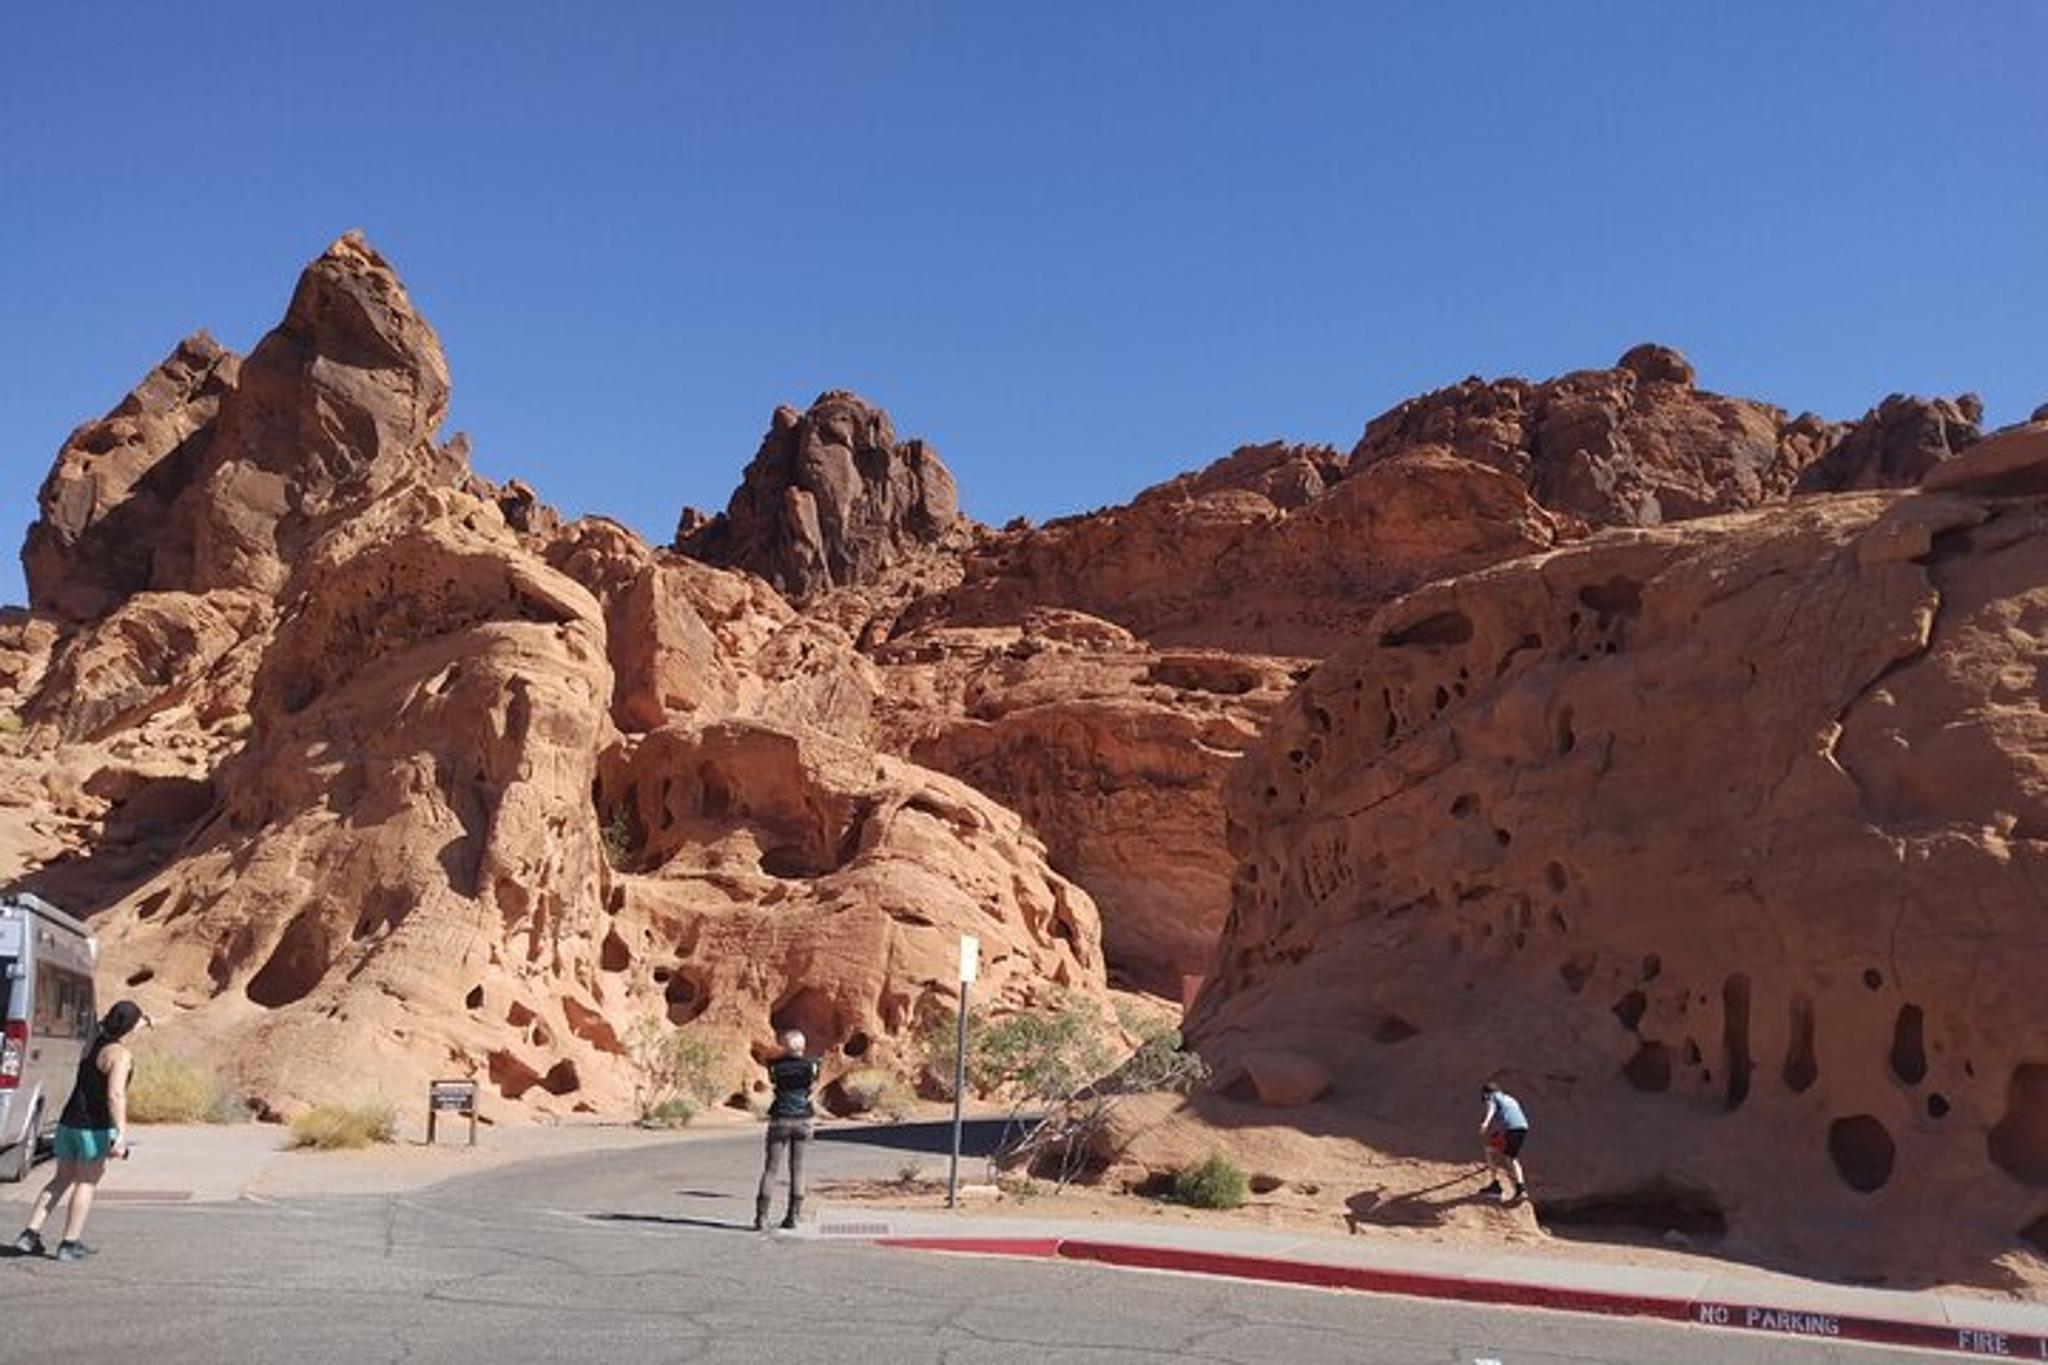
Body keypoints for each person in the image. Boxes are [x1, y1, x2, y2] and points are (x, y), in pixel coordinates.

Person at [12, 1000, 143, 1262]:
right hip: (94, 1127)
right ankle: (69, 1243)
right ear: (130, 1026)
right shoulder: (119, 1055)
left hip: (68, 1123)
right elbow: (115, 1095)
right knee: (86, 1182)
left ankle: (29, 1234)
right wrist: (121, 1135)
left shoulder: (91, 1043)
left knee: (60, 1179)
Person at [755, 1029, 820, 1231]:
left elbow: (774, 1082)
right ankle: (793, 1216)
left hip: (780, 1117)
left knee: (771, 1169)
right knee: (797, 1168)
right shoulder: (812, 1065)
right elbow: (811, 1086)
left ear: (784, 1046)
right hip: (802, 1118)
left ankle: (761, 1217)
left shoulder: (774, 1066)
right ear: (803, 1046)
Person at [1479, 1081, 1530, 1203]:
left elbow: (1491, 1109)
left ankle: (1495, 1187)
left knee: (1489, 1150)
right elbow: (1510, 1115)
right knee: (1511, 1158)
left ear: (1487, 1093)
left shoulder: (1492, 1097)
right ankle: (1521, 1189)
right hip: (1522, 1128)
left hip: (1509, 1129)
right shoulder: (1510, 1099)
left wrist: (1485, 1123)